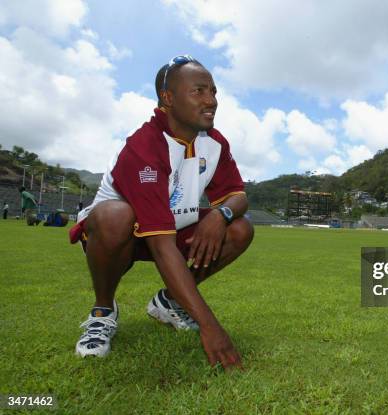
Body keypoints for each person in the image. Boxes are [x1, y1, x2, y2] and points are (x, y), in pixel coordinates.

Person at [69, 55, 253, 370]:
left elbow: (237, 196)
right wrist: (211, 327)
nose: (211, 101)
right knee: (115, 216)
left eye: (214, 91)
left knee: (239, 228)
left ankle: (169, 301)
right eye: (199, 91)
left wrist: (218, 215)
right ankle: (102, 311)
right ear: (168, 98)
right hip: (121, 236)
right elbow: (160, 244)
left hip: (171, 226)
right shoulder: (144, 145)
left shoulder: (214, 142)